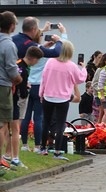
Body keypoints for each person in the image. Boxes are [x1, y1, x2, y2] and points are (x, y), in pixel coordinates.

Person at [18, 22, 67, 154]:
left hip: (28, 84)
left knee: (26, 116)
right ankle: (39, 145)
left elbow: (38, 49)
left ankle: (24, 144)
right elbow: (60, 51)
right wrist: (63, 35)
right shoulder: (47, 56)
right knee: (38, 117)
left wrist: (43, 32)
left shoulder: (33, 51)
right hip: (40, 86)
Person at [39, 40, 87, 160]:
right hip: (63, 98)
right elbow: (80, 79)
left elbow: (43, 79)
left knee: (46, 122)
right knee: (60, 125)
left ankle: (42, 148)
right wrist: (84, 68)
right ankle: (57, 151)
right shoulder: (71, 66)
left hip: (48, 96)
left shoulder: (50, 62)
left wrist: (41, 93)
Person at [4, 46, 43, 167]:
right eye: (37, 60)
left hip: (7, 97)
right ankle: (15, 158)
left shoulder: (18, 62)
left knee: (5, 128)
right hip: (15, 100)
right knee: (15, 129)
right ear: (33, 58)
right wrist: (28, 88)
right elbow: (23, 92)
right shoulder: (24, 70)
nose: (37, 63)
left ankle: (6, 154)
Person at [0, 11, 22, 171]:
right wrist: (20, 80)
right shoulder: (9, 44)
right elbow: (11, 69)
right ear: (12, 26)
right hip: (3, 86)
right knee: (2, 124)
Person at [92, 53, 106, 123]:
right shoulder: (99, 70)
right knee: (101, 113)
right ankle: (99, 128)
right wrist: (101, 90)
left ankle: (105, 127)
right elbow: (94, 83)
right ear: (105, 61)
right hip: (99, 95)